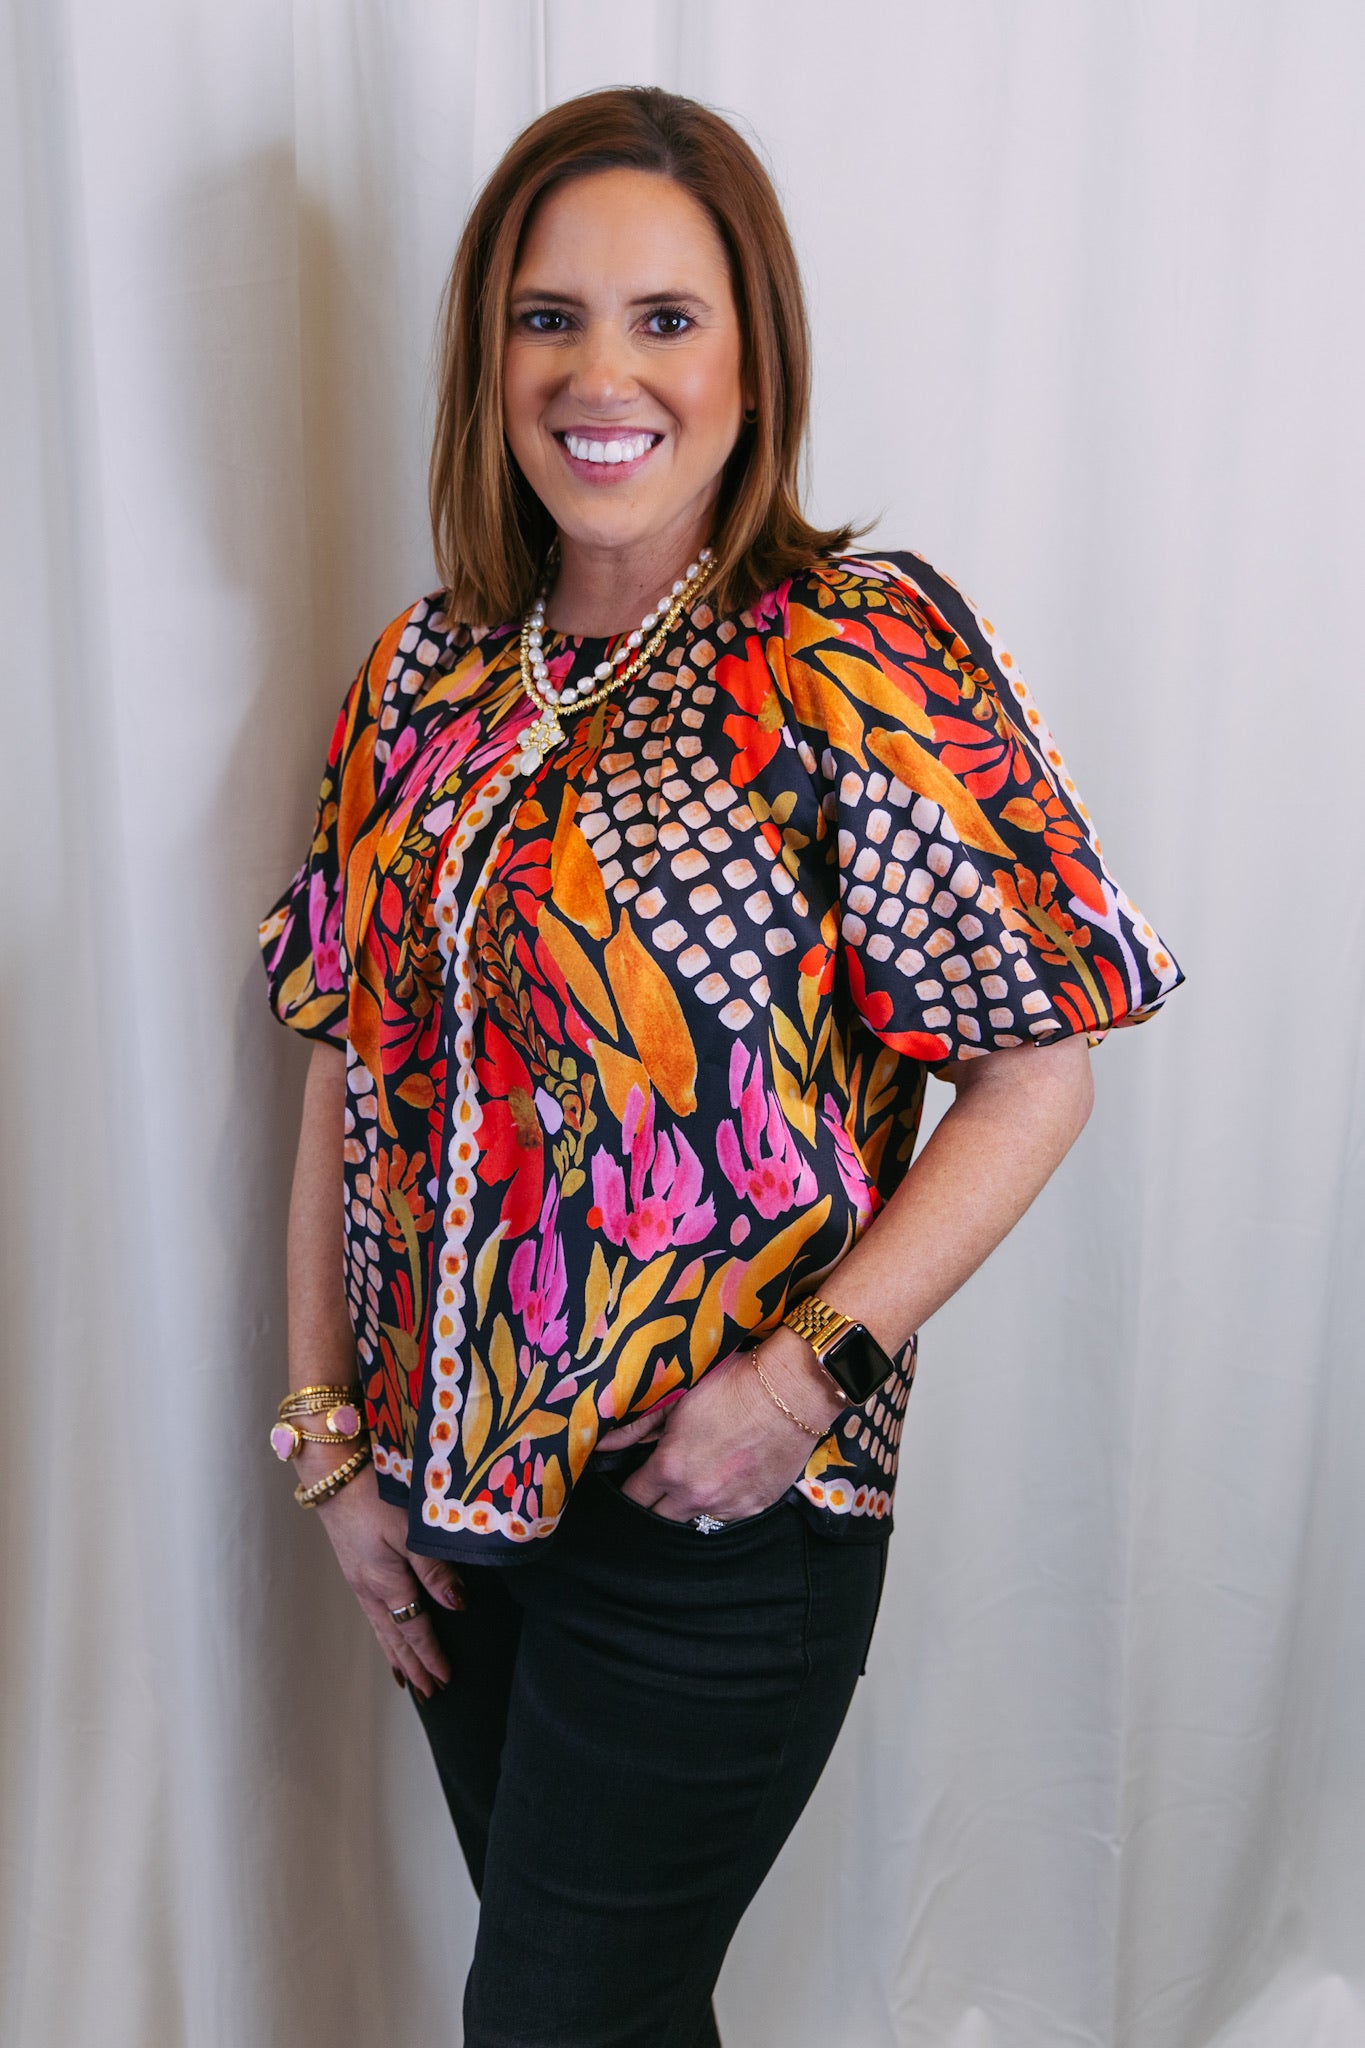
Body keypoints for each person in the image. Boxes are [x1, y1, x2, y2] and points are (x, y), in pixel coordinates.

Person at [260, 85, 1183, 2048]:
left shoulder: (851, 652)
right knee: (607, 2012)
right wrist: (329, 1441)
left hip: (712, 1528)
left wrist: (799, 1376)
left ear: (754, 356)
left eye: (665, 318)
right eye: (547, 317)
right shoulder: (421, 679)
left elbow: (1036, 1071)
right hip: (452, 1515)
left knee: (553, 2020)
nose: (603, 372)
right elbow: (348, 1077)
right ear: (486, 359)